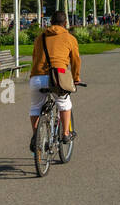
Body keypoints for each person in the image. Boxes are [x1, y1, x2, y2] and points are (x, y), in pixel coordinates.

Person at [29, 10, 81, 153]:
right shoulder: (70, 38)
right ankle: (65, 134)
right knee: (64, 104)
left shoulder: (40, 38)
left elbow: (35, 57)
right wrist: (76, 78)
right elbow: (76, 60)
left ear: (50, 22)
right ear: (65, 23)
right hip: (58, 76)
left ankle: (36, 136)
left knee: (35, 107)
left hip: (37, 77)